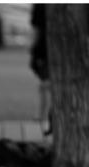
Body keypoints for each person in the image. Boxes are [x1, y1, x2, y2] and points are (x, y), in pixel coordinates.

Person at [29, 4, 51, 135]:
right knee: (46, 85)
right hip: (49, 48)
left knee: (45, 85)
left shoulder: (40, 5)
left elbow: (36, 29)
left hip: (44, 48)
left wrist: (34, 50)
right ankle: (43, 114)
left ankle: (42, 114)